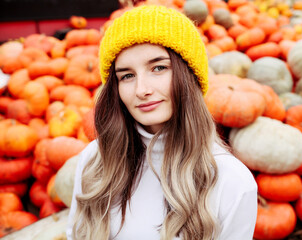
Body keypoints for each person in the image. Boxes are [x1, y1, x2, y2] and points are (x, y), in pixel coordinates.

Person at [66, 5, 257, 240]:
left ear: (189, 75)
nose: (141, 90)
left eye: (158, 68)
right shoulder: (94, 161)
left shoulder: (231, 181)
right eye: (127, 75)